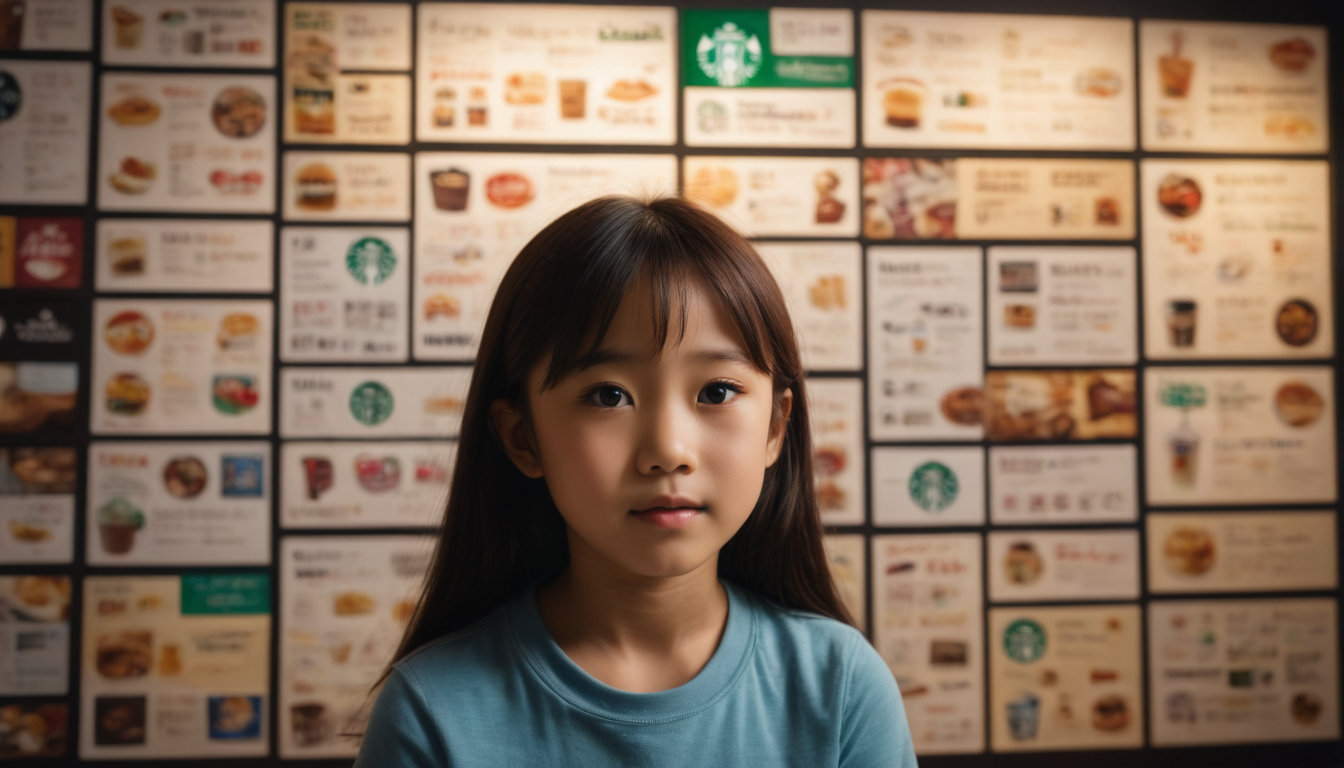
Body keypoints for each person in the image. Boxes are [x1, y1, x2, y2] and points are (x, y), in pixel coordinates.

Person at [355, 195, 917, 767]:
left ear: (775, 425)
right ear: (523, 437)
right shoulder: (430, 714)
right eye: (608, 395)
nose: (668, 452)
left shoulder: (841, 689)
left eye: (716, 391)